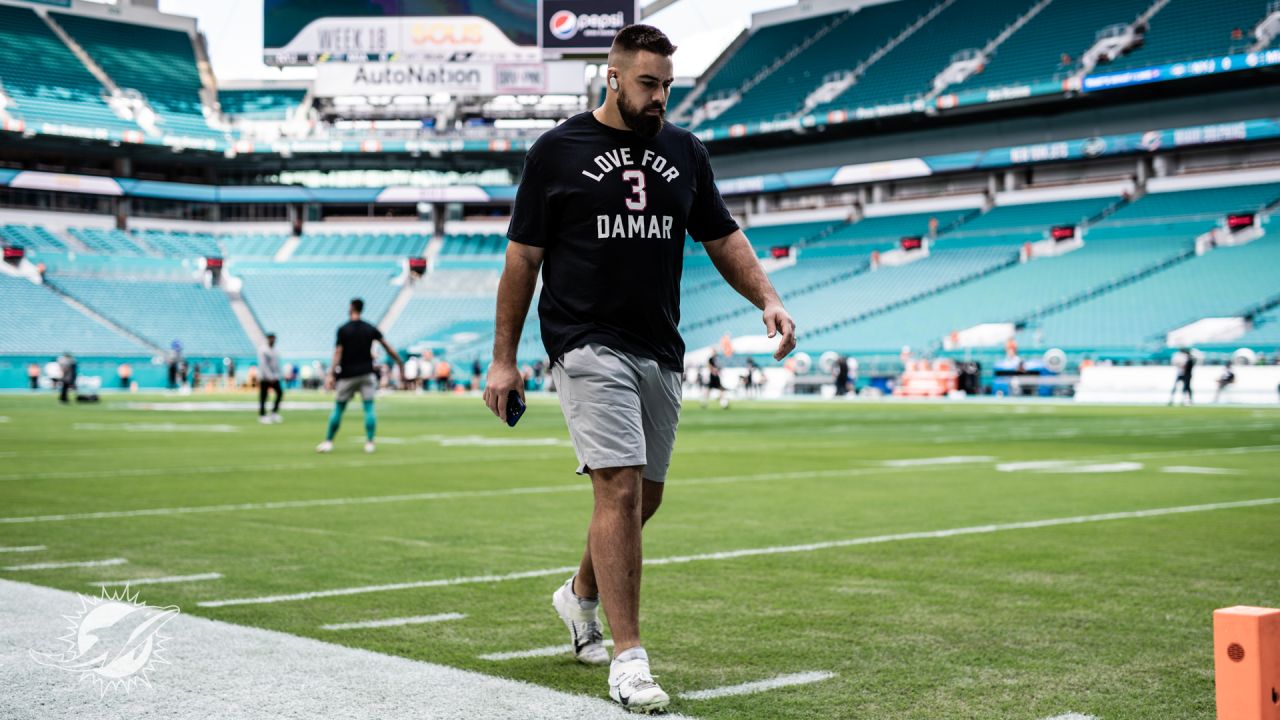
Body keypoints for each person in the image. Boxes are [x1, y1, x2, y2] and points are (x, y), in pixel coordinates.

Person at [482, 24, 796, 714]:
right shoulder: (556, 151)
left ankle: (578, 594)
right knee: (618, 488)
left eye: (667, 87)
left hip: (660, 346)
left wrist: (768, 298)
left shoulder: (685, 151)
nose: (660, 98)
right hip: (585, 341)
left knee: (643, 497)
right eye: (648, 84)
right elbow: (522, 259)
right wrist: (504, 361)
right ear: (613, 77)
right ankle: (628, 660)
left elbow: (720, 235)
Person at [317, 299, 403, 454]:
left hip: (347, 374)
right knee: (369, 408)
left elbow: (338, 352)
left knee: (339, 407)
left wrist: (331, 374)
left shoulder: (343, 329)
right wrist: (399, 361)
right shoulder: (369, 328)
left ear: (351, 308)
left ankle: (329, 441)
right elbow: (387, 346)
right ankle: (369, 443)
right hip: (367, 373)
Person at [258, 332, 284, 424]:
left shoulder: (276, 351)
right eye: (271, 338)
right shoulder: (263, 350)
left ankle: (274, 412)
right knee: (264, 396)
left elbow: (277, 365)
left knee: (280, 393)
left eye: (273, 338)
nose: (272, 340)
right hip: (265, 377)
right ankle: (262, 415)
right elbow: (263, 365)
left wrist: (278, 375)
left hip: (275, 377)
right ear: (267, 339)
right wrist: (269, 376)